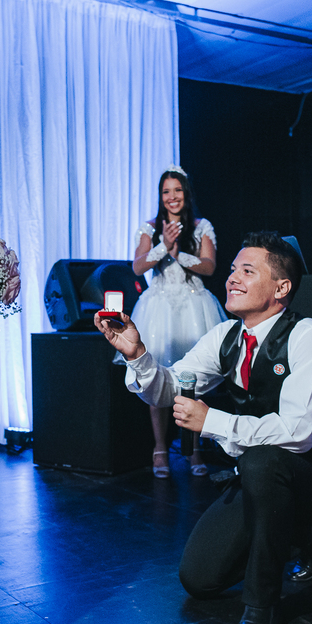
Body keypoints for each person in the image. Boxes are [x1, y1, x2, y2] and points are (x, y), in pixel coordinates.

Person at [96, 232, 312, 624]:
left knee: (261, 461)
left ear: (281, 288)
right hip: (261, 476)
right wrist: (137, 354)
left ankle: (262, 605)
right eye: (233, 269)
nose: (232, 278)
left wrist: (211, 420)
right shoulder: (225, 337)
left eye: (247, 271)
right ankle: (296, 536)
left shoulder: (310, 337)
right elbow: (170, 389)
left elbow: (300, 434)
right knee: (199, 579)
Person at [128, 166, 227, 477]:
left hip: (194, 307)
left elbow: (210, 267)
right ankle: (160, 449)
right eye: (166, 191)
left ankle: (194, 449)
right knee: (155, 377)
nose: (172, 197)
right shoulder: (149, 227)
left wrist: (179, 253)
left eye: (177, 190)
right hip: (159, 309)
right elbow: (137, 267)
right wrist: (163, 247)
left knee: (193, 380)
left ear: (186, 193)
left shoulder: (201, 226)